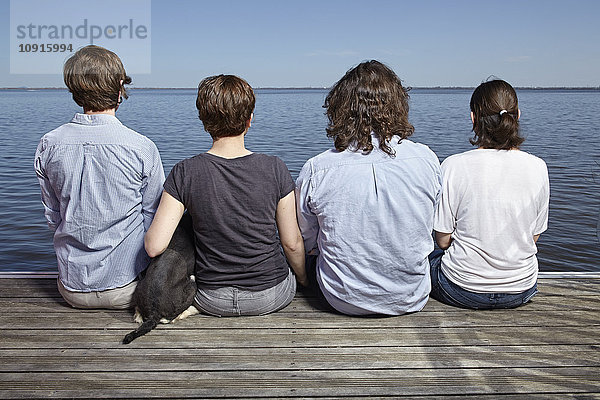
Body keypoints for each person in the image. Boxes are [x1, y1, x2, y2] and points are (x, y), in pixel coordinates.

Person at [144, 74, 306, 317]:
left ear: (204, 121)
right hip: (270, 295)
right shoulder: (275, 168)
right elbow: (291, 244)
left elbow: (154, 246)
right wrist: (303, 280)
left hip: (211, 298)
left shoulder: (185, 171)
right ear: (249, 120)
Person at [296, 60, 441, 316]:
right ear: (397, 106)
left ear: (340, 109)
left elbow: (308, 240)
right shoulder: (426, 159)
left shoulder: (317, 168)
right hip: (411, 298)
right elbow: (429, 222)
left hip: (341, 299)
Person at [34, 45, 165, 309]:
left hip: (71, 290)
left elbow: (53, 218)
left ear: (74, 89)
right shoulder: (141, 147)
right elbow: (153, 217)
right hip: (127, 289)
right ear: (119, 87)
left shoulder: (49, 144)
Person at [430, 79, 550, 309]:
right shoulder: (538, 167)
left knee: (428, 259)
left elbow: (443, 241)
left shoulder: (454, 166)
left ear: (473, 118)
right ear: (518, 115)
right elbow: (533, 237)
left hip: (461, 289)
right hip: (521, 289)